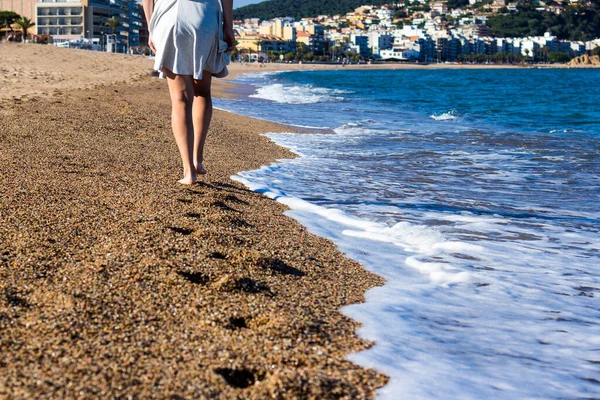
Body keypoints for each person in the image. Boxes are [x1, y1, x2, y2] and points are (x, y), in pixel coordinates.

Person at [142, 0, 234, 184]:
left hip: (169, 15)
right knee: (202, 92)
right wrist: (228, 26)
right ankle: (197, 159)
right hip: (205, 16)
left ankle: (188, 171)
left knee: (180, 99)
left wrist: (152, 26)